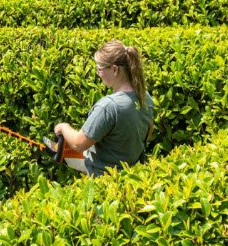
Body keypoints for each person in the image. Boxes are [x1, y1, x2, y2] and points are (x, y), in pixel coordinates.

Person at [53, 39, 155, 177]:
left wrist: (63, 127)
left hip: (105, 179)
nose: (98, 73)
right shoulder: (144, 96)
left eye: (100, 69)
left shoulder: (109, 106)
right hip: (132, 175)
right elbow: (149, 131)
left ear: (114, 69)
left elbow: (78, 144)